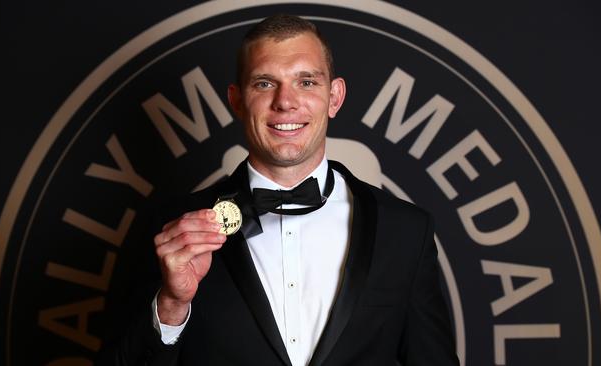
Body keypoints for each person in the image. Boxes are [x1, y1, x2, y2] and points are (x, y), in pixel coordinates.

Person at [100, 14, 459, 366]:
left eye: (306, 82)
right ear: (237, 100)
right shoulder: (169, 229)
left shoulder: (405, 230)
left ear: (334, 97)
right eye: (264, 83)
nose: (285, 102)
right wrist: (172, 305)